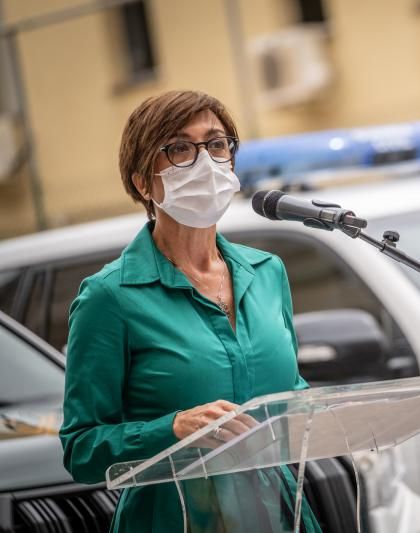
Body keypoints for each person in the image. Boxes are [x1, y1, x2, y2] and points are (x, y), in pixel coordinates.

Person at [60, 90, 320, 532]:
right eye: (180, 148)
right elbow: (82, 449)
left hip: (275, 513)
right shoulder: (109, 298)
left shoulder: (267, 272)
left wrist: (321, 409)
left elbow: (291, 398)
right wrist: (173, 428)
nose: (206, 162)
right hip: (174, 518)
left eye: (217, 144)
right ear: (143, 182)